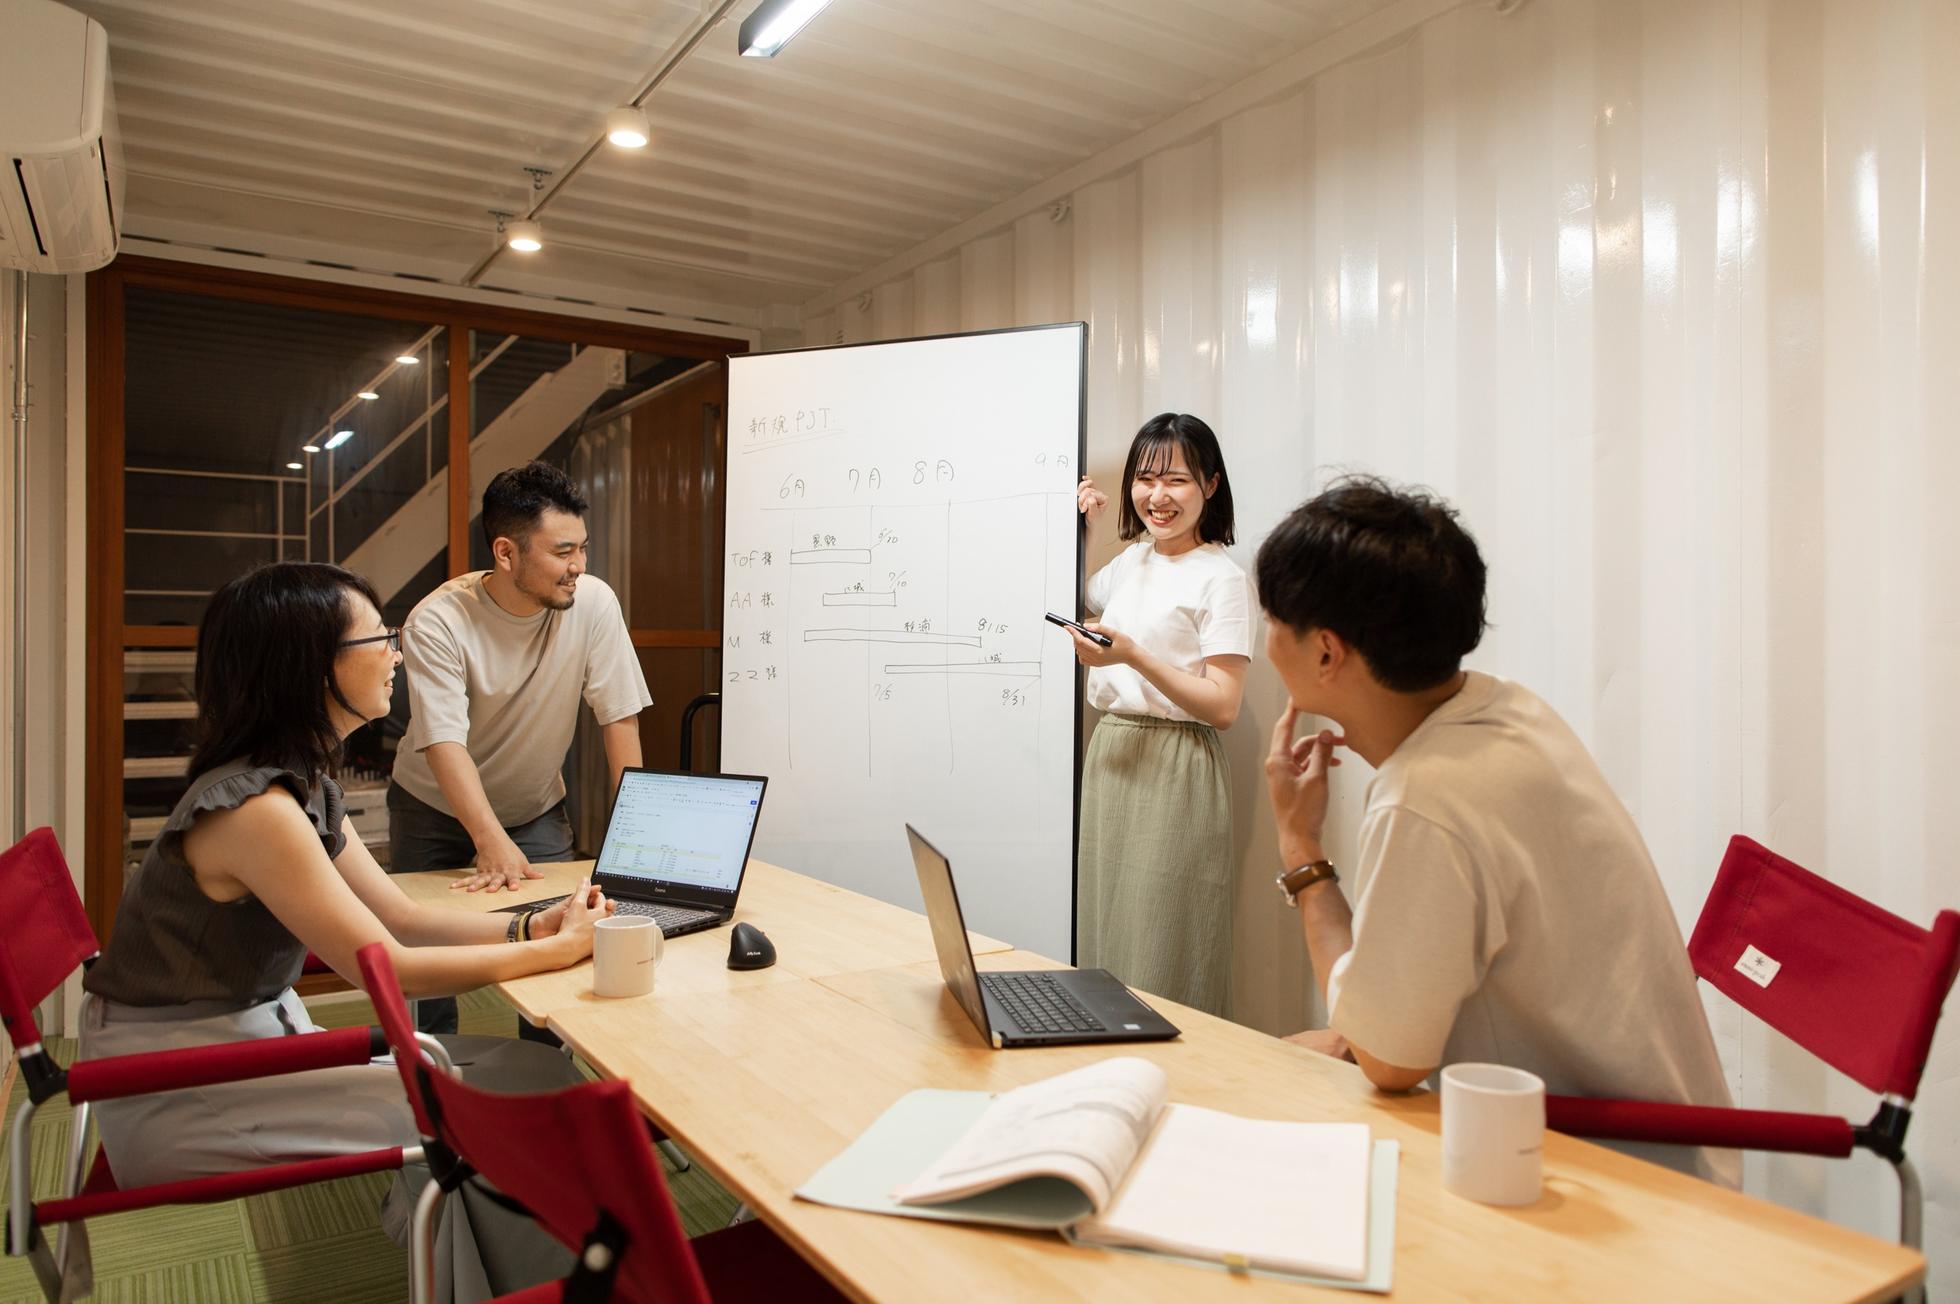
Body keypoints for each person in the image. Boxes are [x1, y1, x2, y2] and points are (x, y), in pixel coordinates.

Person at [81, 561, 615, 1298]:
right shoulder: (258, 810)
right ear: (310, 668)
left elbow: (401, 917)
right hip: (184, 1083)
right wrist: (558, 951)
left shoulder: (302, 781)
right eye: (380, 638)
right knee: (510, 1114)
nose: (396, 655)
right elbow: (389, 969)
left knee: (537, 1072)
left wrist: (530, 927)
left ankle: (464, 1254)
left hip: (241, 1040)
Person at [1255, 475, 1737, 1183]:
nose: (1266, 638)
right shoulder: (1511, 711)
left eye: (1271, 619)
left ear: (1326, 653)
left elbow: (1389, 1060)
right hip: (1664, 1148)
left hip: (1609, 1179)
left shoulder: (1425, 799)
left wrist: (1300, 847)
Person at [387, 460, 650, 1034]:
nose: (578, 566)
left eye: (583, 548)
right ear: (506, 553)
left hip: (534, 808)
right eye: (562, 552)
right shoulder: (439, 620)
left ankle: (545, 1070)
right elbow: (444, 741)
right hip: (431, 808)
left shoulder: (593, 603)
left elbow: (618, 717)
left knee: (558, 946)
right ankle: (429, 1073)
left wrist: (635, 835)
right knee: (427, 964)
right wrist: (489, 840)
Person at [1064, 413, 1250, 1016]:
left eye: (1176, 480)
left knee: (1166, 946)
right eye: (1145, 479)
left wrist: (1134, 656)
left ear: (1210, 486)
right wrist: (1083, 530)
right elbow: (1080, 606)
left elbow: (1223, 704)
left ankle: (1181, 1066)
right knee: (1107, 936)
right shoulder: (1131, 562)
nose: (1157, 496)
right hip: (1112, 753)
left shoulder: (1222, 578)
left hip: (1176, 766)